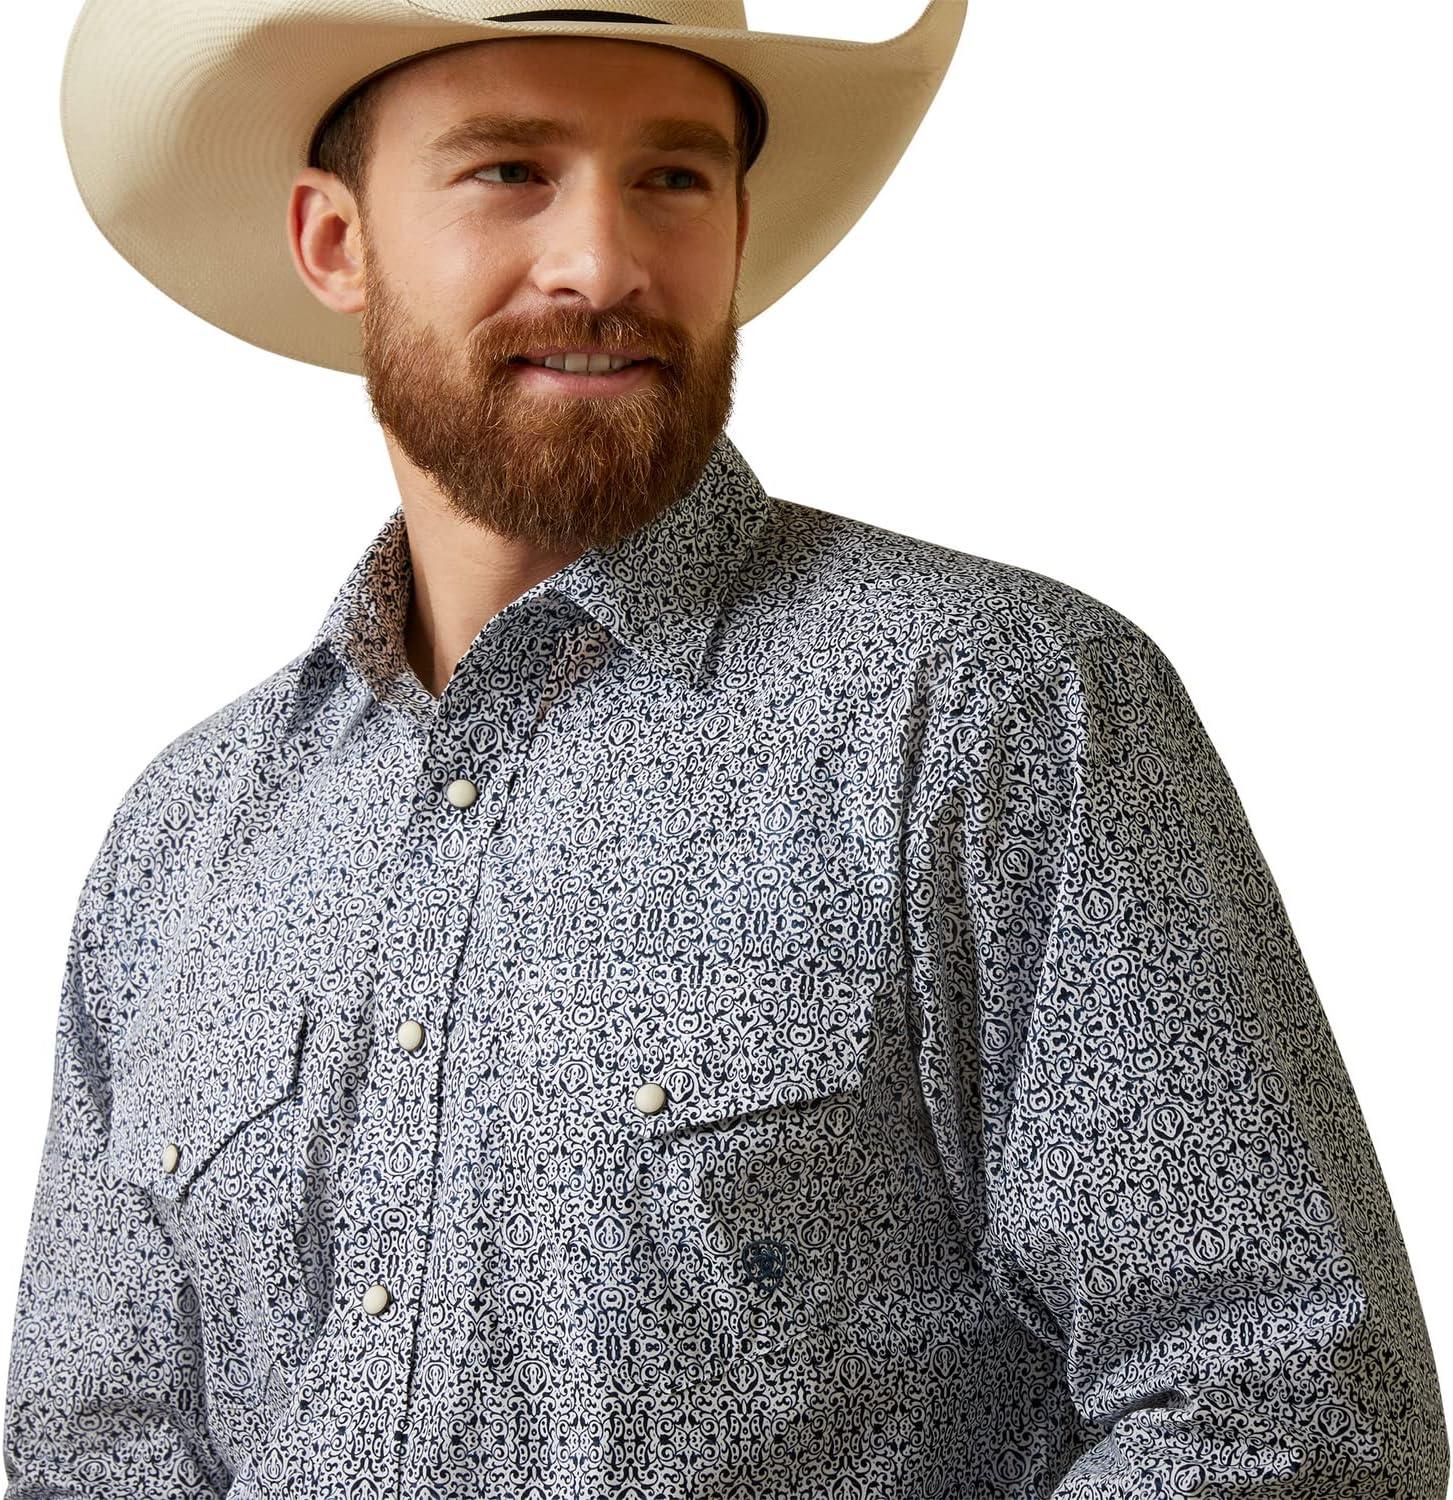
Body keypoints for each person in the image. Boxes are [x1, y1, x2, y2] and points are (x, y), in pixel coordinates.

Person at [5, 2, 1446, 1496]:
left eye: (673, 179)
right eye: (509, 171)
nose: (603, 263)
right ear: (334, 240)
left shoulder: (987, 710)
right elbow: (88, 1458)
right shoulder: (183, 844)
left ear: (738, 226)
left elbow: (1292, 1409)